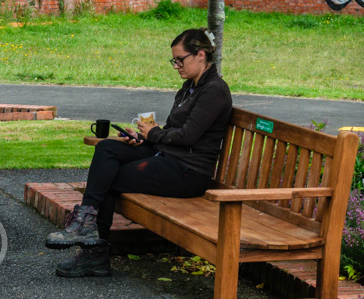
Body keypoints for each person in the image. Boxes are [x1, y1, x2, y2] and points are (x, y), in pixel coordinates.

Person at [45, 27, 233, 278]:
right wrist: (142, 139)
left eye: (180, 59)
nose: (176, 65)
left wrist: (153, 134)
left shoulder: (214, 90)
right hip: (168, 157)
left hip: (188, 172)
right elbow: (176, 131)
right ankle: (87, 224)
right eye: (174, 60)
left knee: (108, 178)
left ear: (200, 54)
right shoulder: (190, 87)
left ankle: (94, 252)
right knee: (107, 148)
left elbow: (188, 136)